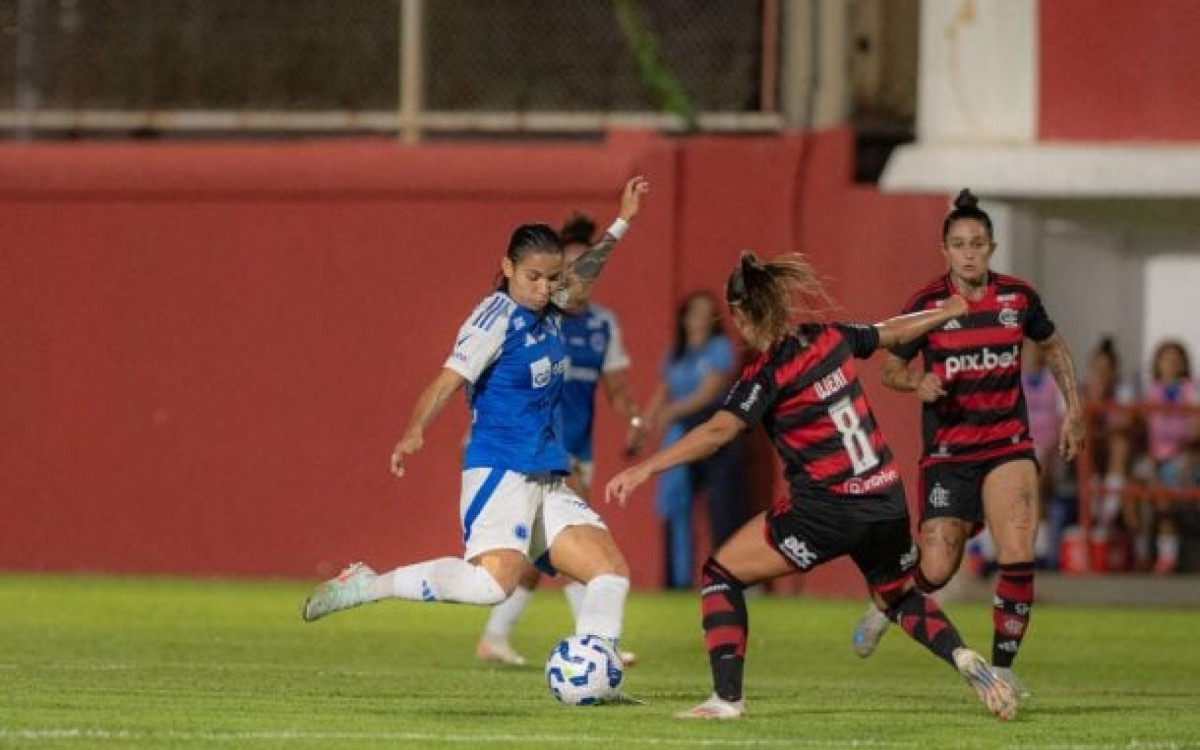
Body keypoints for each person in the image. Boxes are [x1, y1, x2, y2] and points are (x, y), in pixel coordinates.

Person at [606, 251, 1018, 721]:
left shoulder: (766, 373)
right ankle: (965, 658)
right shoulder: (829, 338)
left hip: (827, 511)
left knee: (721, 575)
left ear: (740, 314)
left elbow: (719, 431)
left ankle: (725, 700)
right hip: (885, 499)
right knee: (900, 596)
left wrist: (646, 467)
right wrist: (944, 312)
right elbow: (895, 330)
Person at [301, 177, 651, 688]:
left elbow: (582, 280)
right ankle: (368, 585)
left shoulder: (551, 304)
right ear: (508, 267)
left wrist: (623, 221)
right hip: (501, 468)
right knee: (493, 586)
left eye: (550, 279)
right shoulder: (494, 318)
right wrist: (413, 431)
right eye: (531, 276)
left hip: (544, 472)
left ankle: (595, 677)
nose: (542, 287)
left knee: (610, 571)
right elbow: (447, 380)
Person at [851, 189, 1085, 701]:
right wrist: (918, 383)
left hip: (1007, 445)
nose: (970, 252)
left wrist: (1074, 410)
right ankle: (890, 601)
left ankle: (999, 673)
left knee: (1019, 549)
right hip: (949, 454)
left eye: (978, 242)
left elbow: (1055, 346)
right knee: (937, 567)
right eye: (959, 244)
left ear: (992, 247)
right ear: (945, 252)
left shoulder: (1017, 299)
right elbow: (890, 368)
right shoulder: (927, 305)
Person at [474, 212, 647, 667]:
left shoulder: (602, 325)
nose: (558, 282)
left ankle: (494, 636)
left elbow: (615, 385)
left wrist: (633, 417)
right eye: (556, 273)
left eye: (568, 272)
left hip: (581, 445)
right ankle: (597, 639)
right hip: (544, 449)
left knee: (538, 556)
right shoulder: (536, 318)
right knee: (577, 545)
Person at [644, 291, 747, 588]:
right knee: (675, 504)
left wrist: (671, 411)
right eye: (694, 312)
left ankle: (732, 577)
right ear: (684, 317)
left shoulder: (719, 348)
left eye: (706, 312)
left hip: (714, 429)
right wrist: (643, 423)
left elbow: (709, 392)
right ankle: (678, 580)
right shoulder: (676, 352)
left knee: (722, 506)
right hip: (681, 433)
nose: (699, 318)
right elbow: (662, 392)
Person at [1132, 339, 1197, 574]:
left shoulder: (1191, 390)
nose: (1170, 364)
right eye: (1165, 359)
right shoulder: (1152, 391)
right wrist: (1152, 457)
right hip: (1153, 457)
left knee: (1165, 489)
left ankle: (1165, 559)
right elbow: (1143, 431)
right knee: (1136, 485)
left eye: (1175, 359)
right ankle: (1139, 551)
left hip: (1182, 456)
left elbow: (1195, 431)